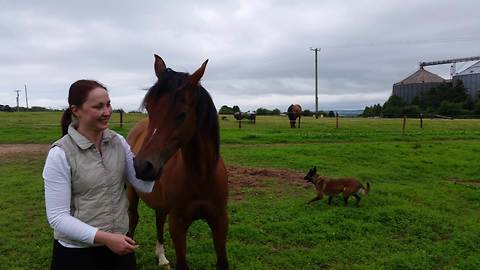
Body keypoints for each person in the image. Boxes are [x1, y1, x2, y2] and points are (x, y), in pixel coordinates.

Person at [43, 80, 155, 270]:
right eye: (98, 107)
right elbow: (57, 217)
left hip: (118, 246)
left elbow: (143, 186)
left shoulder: (118, 142)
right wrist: (107, 238)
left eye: (108, 104)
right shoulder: (60, 153)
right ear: (76, 110)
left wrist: (158, 162)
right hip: (77, 253)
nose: (107, 112)